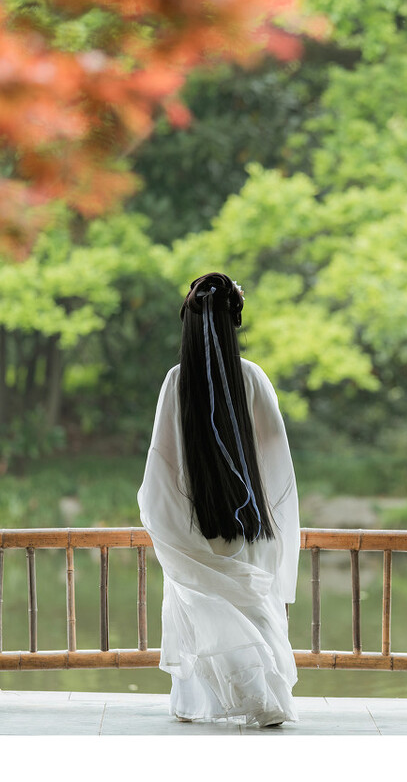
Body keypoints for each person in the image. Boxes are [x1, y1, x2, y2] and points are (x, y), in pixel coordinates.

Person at [136, 272, 300, 728]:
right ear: (234, 323)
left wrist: (168, 524)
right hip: (243, 526)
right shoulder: (253, 379)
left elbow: (161, 467)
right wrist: (257, 515)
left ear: (187, 324)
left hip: (194, 528)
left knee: (203, 611)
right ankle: (265, 699)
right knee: (253, 615)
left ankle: (204, 703)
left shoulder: (176, 382)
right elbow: (275, 463)